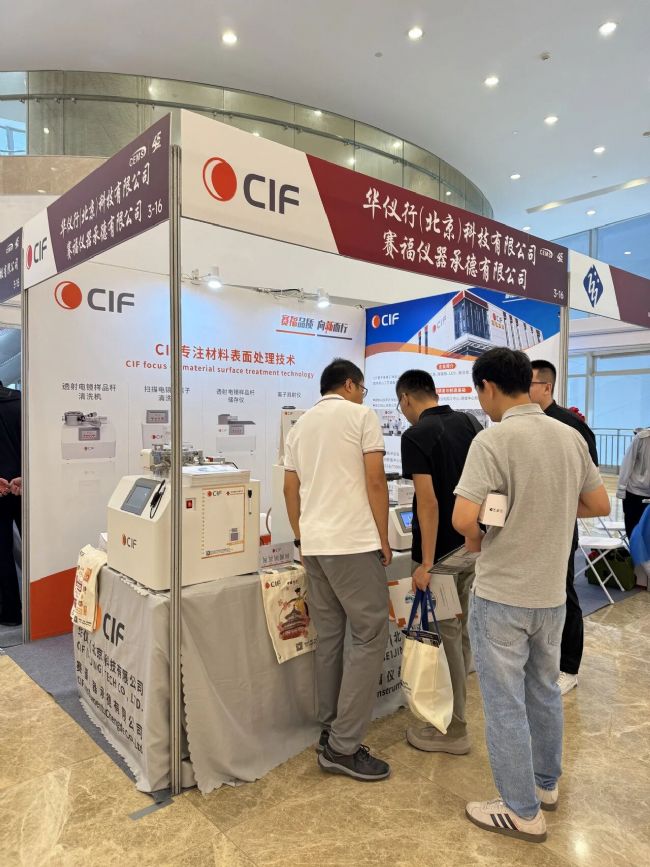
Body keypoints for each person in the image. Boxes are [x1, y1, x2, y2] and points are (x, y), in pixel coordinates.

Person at [452, 348, 610, 843]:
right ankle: (545, 785)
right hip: (551, 595)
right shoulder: (568, 435)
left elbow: (463, 519)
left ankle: (521, 811)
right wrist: (549, 506)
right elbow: (599, 502)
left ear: (488, 388)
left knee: (504, 704)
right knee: (543, 691)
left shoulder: (492, 439)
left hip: (502, 593)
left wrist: (484, 533)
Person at [283, 358, 392, 782]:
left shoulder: (300, 426)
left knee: (329, 637)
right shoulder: (361, 416)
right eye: (361, 388)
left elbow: (290, 488)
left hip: (315, 546)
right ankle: (343, 747)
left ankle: (330, 728)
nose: (363, 395)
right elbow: (376, 481)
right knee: (369, 635)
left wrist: (302, 537)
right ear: (349, 384)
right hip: (353, 543)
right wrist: (382, 536)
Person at [395, 369, 480, 755]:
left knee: (445, 638)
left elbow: (427, 503)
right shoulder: (469, 422)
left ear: (406, 399)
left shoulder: (416, 435)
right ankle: (454, 714)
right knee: (460, 634)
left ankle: (455, 730)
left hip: (441, 558)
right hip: (470, 548)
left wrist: (426, 562)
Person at [529, 359, 599, 696]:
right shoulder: (524, 424)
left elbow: (590, 482)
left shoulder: (570, 426)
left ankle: (569, 667)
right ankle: (542, 658)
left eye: (529, 384)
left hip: (558, 526)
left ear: (546, 387)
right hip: (528, 526)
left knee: (563, 593)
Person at [0, 382, 21, 627]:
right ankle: (43, 612)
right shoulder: (20, 401)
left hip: (1, 489)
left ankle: (11, 612)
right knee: (36, 549)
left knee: (2, 552)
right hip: (25, 487)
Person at [617, 428, 650, 539]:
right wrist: (621, 489)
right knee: (633, 531)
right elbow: (627, 463)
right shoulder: (642, 438)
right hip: (635, 491)